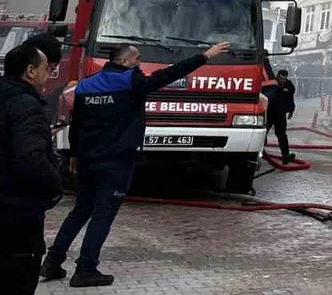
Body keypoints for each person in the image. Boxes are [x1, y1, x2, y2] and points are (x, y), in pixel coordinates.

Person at [42, 41, 230, 288]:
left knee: (81, 210)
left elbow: (77, 125)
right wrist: (205, 56)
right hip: (117, 160)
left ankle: (53, 261)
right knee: (103, 214)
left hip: (87, 160)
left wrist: (75, 155)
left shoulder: (86, 86)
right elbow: (169, 74)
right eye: (137, 59)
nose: (140, 64)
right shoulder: (132, 82)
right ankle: (86, 269)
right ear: (124, 61)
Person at [0, 33, 64, 295]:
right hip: (18, 219)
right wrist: (54, 185)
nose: (48, 76)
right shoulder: (28, 106)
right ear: (30, 71)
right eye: (45, 70)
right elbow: (32, 160)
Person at [267, 69, 296, 164]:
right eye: (280, 78)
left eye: (284, 79)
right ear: (277, 76)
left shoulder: (289, 85)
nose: (282, 80)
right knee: (263, 133)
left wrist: (291, 110)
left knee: (282, 135)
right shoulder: (272, 84)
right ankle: (259, 153)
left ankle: (285, 155)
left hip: (280, 114)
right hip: (269, 113)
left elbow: (291, 98)